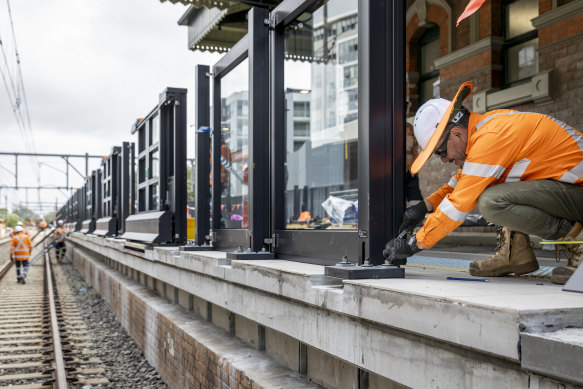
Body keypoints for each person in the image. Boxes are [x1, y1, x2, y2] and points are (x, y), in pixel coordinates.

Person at [383, 81, 583, 285]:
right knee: (490, 184)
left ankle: (579, 241)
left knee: (491, 201)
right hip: (571, 192)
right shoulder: (485, 130)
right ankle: (516, 253)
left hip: (578, 191)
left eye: (440, 152)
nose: (443, 159)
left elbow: (457, 206)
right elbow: (461, 183)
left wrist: (413, 245)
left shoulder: (491, 138)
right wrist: (424, 207)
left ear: (457, 134)